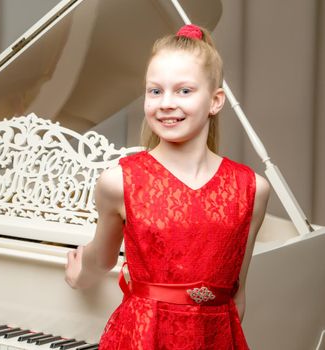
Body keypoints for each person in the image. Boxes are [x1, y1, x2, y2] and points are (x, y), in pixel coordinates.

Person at [64, 24, 270, 349]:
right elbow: (100, 259)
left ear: (216, 101)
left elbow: (236, 292)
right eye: (155, 91)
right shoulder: (118, 181)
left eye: (184, 91)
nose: (165, 103)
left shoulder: (253, 189)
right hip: (141, 337)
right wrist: (79, 274)